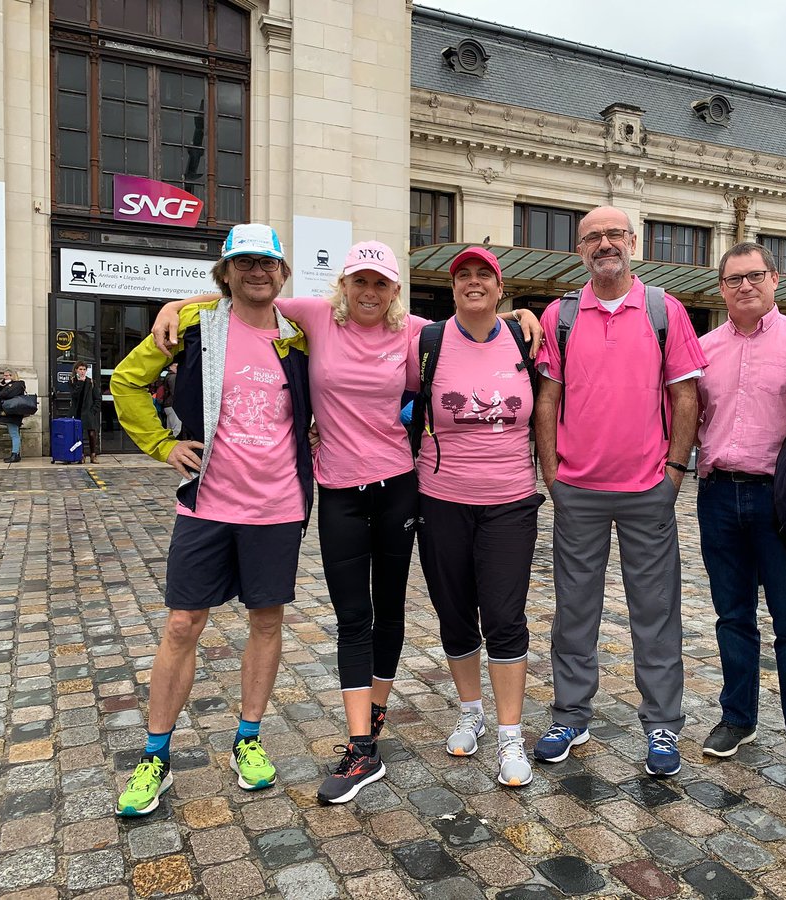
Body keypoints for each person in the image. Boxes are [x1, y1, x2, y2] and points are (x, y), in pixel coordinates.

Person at [151, 241, 542, 805]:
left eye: (380, 284)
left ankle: (376, 716)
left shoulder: (413, 331)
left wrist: (515, 315)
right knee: (351, 614)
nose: (369, 292)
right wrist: (178, 307)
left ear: (394, 292)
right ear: (343, 285)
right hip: (338, 491)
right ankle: (361, 747)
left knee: (390, 609)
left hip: (399, 487)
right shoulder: (313, 315)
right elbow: (244, 298)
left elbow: (470, 326)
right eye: (359, 281)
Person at [110, 223, 314, 816]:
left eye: (267, 264)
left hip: (278, 505)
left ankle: (247, 739)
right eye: (244, 263)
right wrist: (160, 445)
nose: (257, 272)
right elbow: (127, 380)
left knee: (266, 621)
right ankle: (156, 755)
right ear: (225, 273)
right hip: (207, 503)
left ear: (282, 274)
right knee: (183, 623)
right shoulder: (195, 324)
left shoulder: (298, 338)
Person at [533, 206, 707, 777]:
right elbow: (547, 401)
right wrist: (553, 475)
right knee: (573, 612)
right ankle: (570, 714)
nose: (604, 244)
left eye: (613, 234)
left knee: (655, 612)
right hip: (578, 488)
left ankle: (662, 725)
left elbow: (686, 397)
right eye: (592, 237)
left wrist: (675, 473)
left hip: (647, 489)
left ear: (632, 241)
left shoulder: (664, 309)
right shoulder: (560, 315)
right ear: (579, 250)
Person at [695, 242, 786, 780]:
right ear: (721, 287)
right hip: (718, 493)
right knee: (732, 615)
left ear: (776, 279)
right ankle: (737, 717)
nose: (745, 286)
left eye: (755, 276)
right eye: (734, 279)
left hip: (782, 497)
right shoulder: (703, 349)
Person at [415, 246, 542, 787]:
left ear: (499, 286)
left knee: (505, 615)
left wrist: (523, 316)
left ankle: (511, 733)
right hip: (441, 498)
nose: (473, 283)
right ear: (451, 288)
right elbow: (342, 322)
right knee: (454, 611)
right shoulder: (428, 340)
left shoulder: (524, 337)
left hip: (510, 500)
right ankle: (471, 711)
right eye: (462, 275)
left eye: (483, 275)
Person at [70, 362, 101, 462]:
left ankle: (93, 454)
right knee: (79, 434)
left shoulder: (91, 382)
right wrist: (80, 383)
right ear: (76, 370)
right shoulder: (73, 381)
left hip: (88, 411)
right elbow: (74, 395)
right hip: (77, 411)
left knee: (92, 433)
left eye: (84, 369)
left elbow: (97, 398)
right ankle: (81, 454)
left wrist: (93, 410)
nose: (82, 371)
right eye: (80, 369)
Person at [0, 369, 26, 463]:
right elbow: (2, 392)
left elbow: (6, 394)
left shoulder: (18, 384)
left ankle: (15, 454)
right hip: (10, 412)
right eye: (4, 375)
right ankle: (16, 453)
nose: (5, 377)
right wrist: (1, 385)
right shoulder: (9, 385)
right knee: (14, 433)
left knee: (14, 433)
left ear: (13, 376)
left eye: (7, 375)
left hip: (13, 413)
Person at [162, 363, 182, 436]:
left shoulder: (167, 376)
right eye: (175, 366)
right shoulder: (173, 377)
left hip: (167, 405)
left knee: (169, 428)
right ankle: (171, 445)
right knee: (176, 428)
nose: (177, 368)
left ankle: (167, 444)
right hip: (172, 404)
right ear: (170, 367)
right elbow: (174, 391)